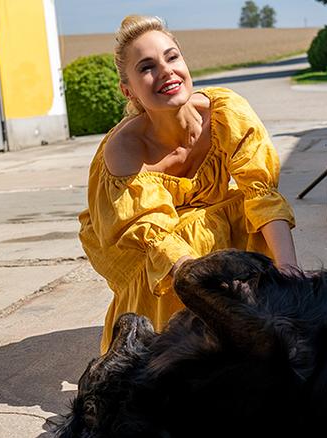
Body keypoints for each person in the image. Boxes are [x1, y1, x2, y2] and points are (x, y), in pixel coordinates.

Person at [78, 15, 297, 353]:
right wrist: (215, 302)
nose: (166, 71)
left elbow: (261, 194)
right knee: (192, 234)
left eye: (172, 57)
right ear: (128, 90)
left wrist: (288, 273)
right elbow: (158, 240)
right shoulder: (123, 150)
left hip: (199, 220)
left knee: (241, 210)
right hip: (135, 240)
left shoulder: (226, 111)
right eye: (147, 67)